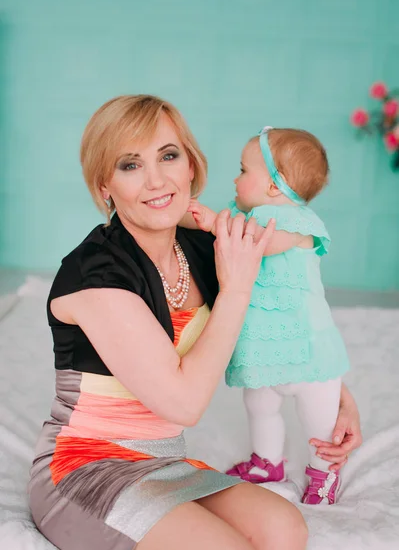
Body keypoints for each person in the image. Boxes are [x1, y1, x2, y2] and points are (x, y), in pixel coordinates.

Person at [28, 96, 360, 550]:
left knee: (286, 529)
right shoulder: (95, 275)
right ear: (105, 184)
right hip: (85, 467)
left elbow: (289, 319)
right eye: (130, 165)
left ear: (190, 166)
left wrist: (337, 398)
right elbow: (183, 405)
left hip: (164, 461)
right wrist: (237, 289)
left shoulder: (201, 248)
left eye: (168, 155)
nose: (157, 179)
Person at [186, 125, 355, 504]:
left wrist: (216, 224)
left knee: (319, 422)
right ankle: (267, 461)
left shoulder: (298, 224)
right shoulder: (242, 213)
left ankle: (323, 473)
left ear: (275, 187)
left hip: (308, 350)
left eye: (244, 170)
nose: (235, 177)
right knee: (259, 406)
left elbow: (260, 243)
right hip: (265, 347)